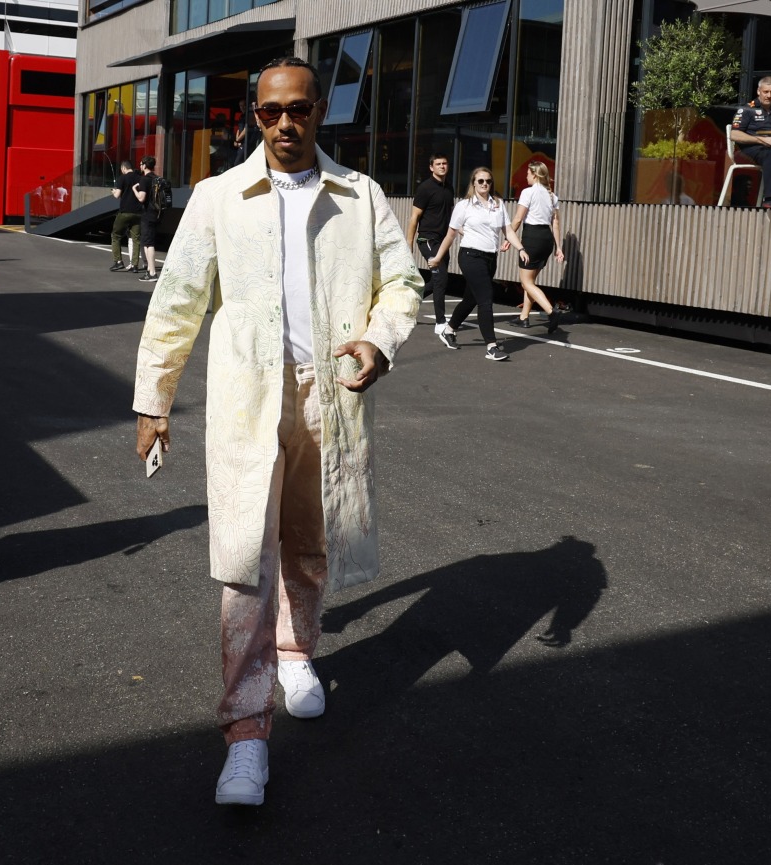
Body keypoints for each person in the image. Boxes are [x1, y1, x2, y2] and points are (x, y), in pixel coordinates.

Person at [132, 57, 421, 807]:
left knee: (312, 540)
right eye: (270, 111)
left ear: (320, 111)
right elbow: (178, 300)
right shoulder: (219, 196)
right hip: (248, 396)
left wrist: (380, 339)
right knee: (244, 562)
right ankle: (245, 734)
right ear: (253, 116)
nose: (285, 123)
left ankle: (296, 652)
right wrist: (153, 399)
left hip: (331, 394)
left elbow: (403, 282)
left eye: (298, 109)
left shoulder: (359, 195)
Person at [428, 167, 528, 361]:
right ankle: (492, 346)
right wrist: (438, 257)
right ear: (473, 183)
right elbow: (450, 235)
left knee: (471, 299)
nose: (484, 184)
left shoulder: (498, 204)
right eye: (480, 181)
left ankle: (449, 330)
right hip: (470, 256)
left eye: (488, 181)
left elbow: (508, 230)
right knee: (485, 299)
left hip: (490, 258)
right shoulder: (464, 206)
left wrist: (521, 248)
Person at [507, 161, 565, 333]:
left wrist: (509, 236)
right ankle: (523, 317)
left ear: (534, 174)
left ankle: (551, 311)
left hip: (532, 237)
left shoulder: (528, 192)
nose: (526, 176)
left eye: (527, 173)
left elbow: (518, 218)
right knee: (530, 282)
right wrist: (558, 247)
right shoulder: (552, 196)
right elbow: (555, 224)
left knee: (526, 283)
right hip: (546, 239)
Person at [405, 153, 455, 335]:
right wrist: (409, 244)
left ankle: (409, 302)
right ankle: (440, 322)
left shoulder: (449, 188)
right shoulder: (425, 188)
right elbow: (414, 217)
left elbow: (451, 215)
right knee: (440, 278)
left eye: (445, 163)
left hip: (443, 241)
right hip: (427, 239)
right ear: (431, 167)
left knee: (437, 281)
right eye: (438, 164)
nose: (442, 166)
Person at [729, 76, 771, 209]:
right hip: (751, 148)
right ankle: (770, 199)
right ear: (758, 91)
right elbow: (734, 134)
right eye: (766, 92)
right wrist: (762, 140)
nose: (769, 95)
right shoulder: (747, 109)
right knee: (770, 153)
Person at [109, 160, 142, 273]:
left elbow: (117, 195)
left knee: (116, 235)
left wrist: (113, 191)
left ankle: (118, 262)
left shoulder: (122, 178)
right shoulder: (140, 178)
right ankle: (135, 265)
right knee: (136, 239)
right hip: (138, 212)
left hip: (125, 211)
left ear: (124, 168)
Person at [132, 156, 161, 282]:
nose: (140, 166)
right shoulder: (157, 178)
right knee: (147, 241)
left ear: (144, 165)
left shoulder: (144, 180)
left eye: (140, 164)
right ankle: (149, 271)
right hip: (156, 213)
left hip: (147, 215)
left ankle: (152, 273)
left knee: (149, 243)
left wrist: (134, 189)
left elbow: (141, 198)